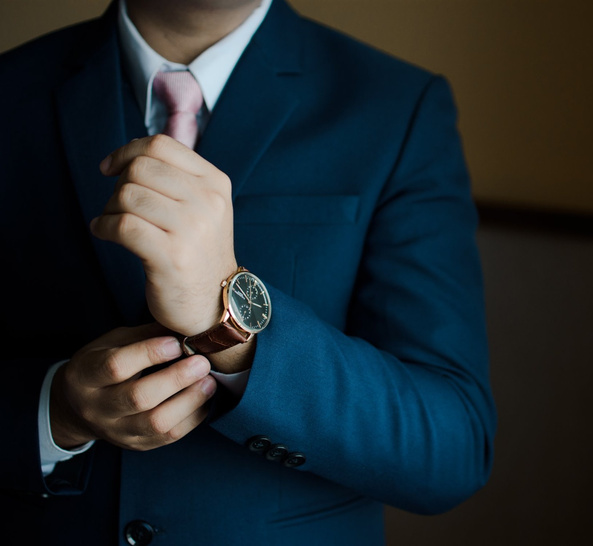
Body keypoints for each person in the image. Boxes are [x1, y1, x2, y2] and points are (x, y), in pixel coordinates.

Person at [0, 0, 496, 543]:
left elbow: (452, 450)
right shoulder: (12, 90)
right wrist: (58, 410)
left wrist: (227, 323)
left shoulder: (398, 108)